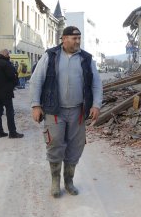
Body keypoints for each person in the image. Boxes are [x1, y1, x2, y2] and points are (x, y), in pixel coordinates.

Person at [30, 26, 102, 198]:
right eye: (74, 38)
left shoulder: (86, 59)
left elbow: (97, 84)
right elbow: (36, 80)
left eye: (79, 38)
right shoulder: (50, 56)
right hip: (55, 111)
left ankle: (68, 181)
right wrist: (35, 105)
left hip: (77, 112)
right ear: (64, 39)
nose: (77, 41)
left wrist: (96, 105)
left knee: (75, 147)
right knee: (54, 144)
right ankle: (55, 182)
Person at [0, 49, 24, 139]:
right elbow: (12, 76)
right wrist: (14, 84)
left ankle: (0, 132)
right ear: (6, 55)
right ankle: (12, 133)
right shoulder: (6, 64)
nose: (9, 55)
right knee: (9, 112)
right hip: (6, 92)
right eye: (8, 54)